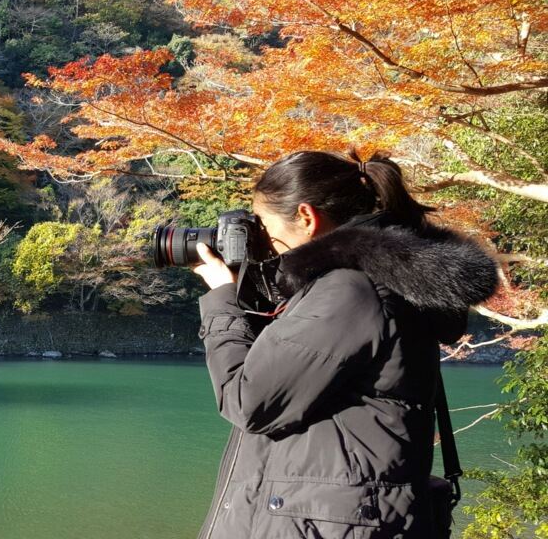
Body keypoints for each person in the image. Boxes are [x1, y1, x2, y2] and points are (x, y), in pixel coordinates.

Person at [191, 150, 500, 539]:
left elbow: (248, 401)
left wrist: (222, 296)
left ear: (306, 217)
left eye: (265, 227)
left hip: (326, 524)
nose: (265, 242)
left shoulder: (349, 291)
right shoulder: (372, 283)